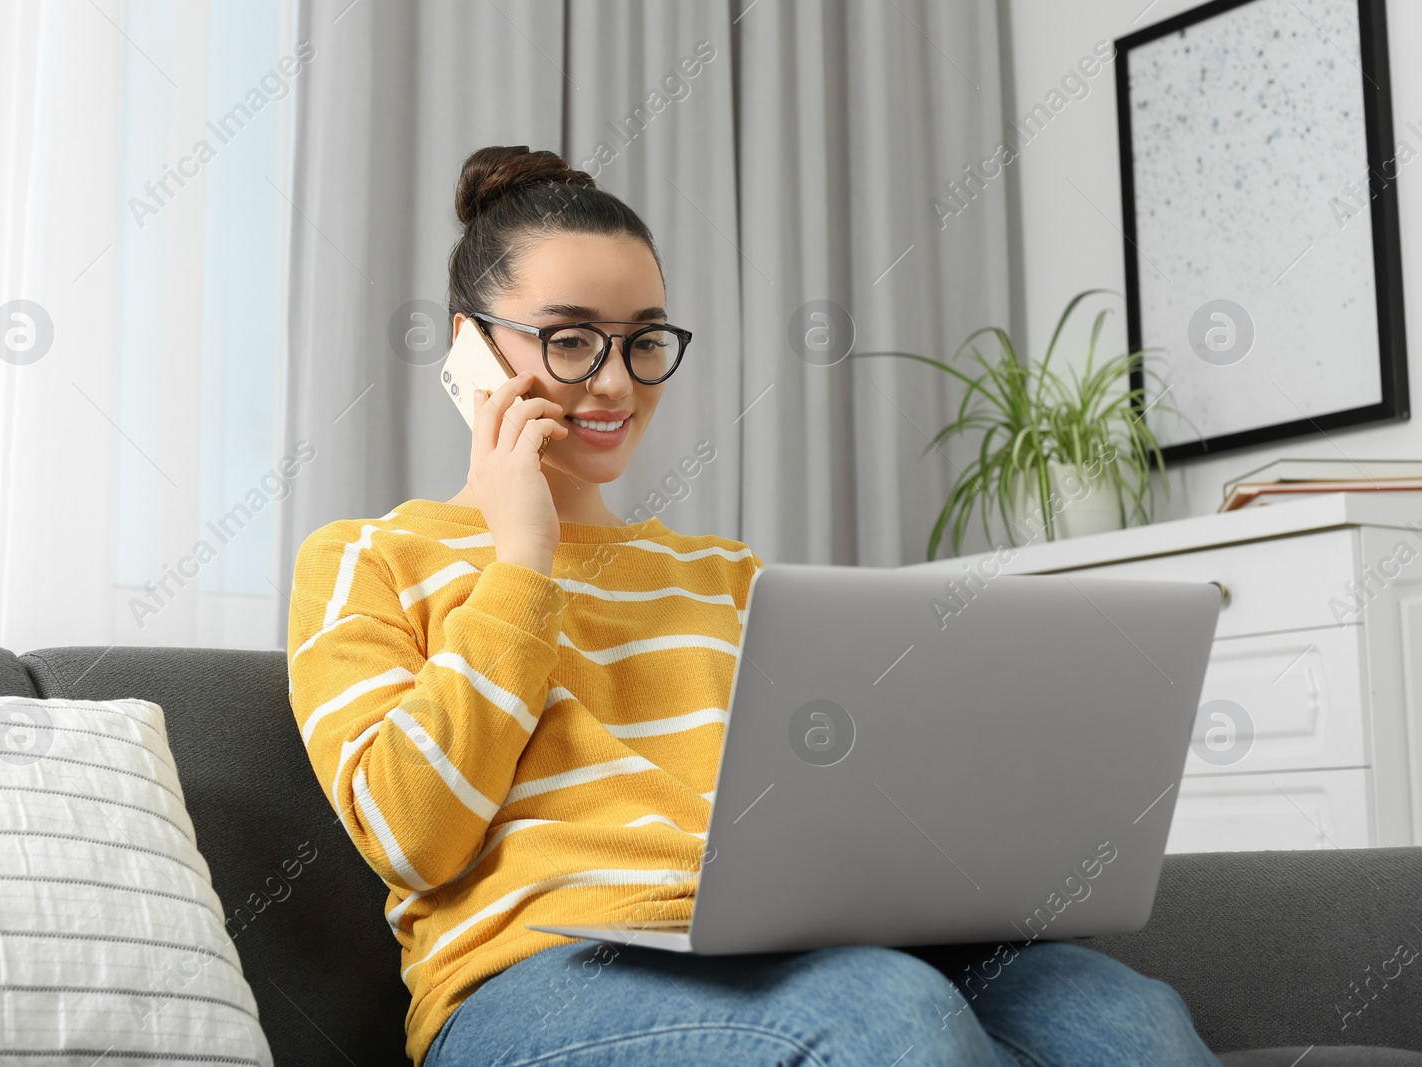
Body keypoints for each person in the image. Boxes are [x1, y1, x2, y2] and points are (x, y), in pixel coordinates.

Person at [285, 145, 1223, 1067]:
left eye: (644, 339)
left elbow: (839, 811)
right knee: (884, 1016)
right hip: (534, 982)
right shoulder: (367, 558)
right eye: (569, 339)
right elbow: (413, 837)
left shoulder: (731, 577)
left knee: (1125, 1018)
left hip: (780, 952)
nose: (614, 381)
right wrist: (523, 561)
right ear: (470, 350)